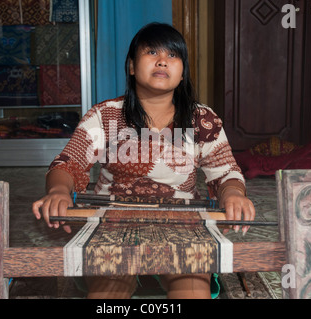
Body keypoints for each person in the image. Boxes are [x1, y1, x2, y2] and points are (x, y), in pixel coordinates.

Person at [32, 22, 255, 299]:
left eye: (173, 55)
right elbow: (69, 163)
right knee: (107, 295)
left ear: (183, 71)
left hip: (181, 222)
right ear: (132, 66)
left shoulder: (201, 119)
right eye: (151, 52)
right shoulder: (106, 115)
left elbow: (225, 172)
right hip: (111, 222)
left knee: (192, 290)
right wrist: (58, 191)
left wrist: (233, 194)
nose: (163, 60)